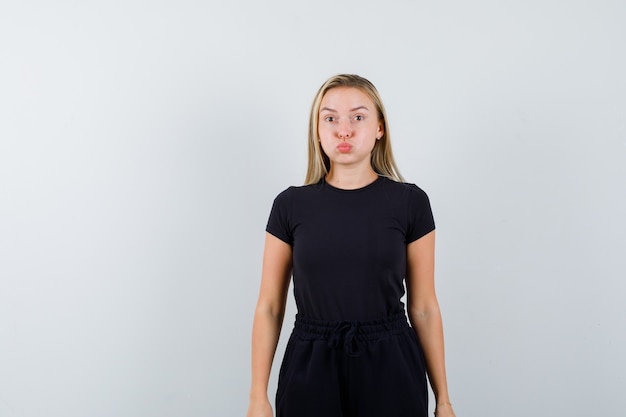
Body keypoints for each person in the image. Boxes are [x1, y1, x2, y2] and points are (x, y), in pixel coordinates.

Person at [246, 74, 456, 417]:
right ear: (317, 129)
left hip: (390, 365)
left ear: (379, 128)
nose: (344, 130)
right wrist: (258, 396)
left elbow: (424, 307)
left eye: (358, 117)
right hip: (310, 365)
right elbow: (269, 306)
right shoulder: (290, 206)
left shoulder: (410, 203)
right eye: (330, 118)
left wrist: (443, 400)